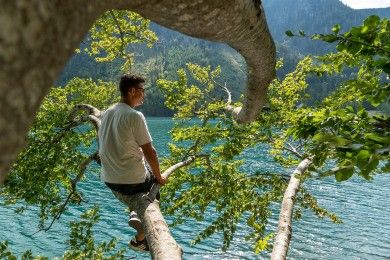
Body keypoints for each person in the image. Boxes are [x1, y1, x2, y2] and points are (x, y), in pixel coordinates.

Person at [98, 74, 167, 252]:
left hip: (109, 179)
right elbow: (150, 152)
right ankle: (140, 238)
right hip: (132, 182)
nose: (144, 95)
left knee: (143, 172)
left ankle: (135, 213)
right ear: (131, 91)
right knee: (153, 180)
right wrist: (160, 177)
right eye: (142, 91)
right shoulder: (135, 116)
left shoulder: (107, 112)